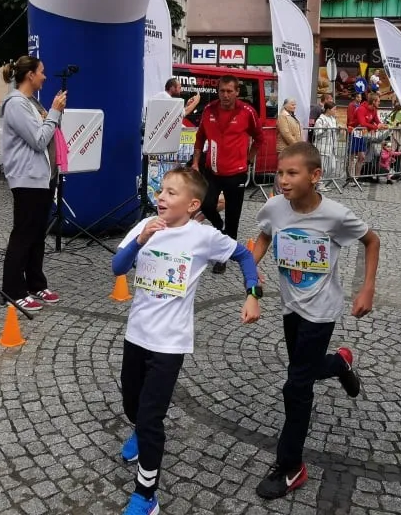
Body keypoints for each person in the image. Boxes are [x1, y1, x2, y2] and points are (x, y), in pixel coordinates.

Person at [111, 167, 259, 515]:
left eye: (171, 192)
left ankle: (146, 495)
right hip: (137, 334)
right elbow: (118, 268)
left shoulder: (203, 237)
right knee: (132, 404)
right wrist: (140, 240)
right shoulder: (145, 226)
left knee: (151, 418)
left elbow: (243, 254)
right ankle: (138, 430)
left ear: (193, 205)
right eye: (161, 190)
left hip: (170, 343)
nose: (161, 197)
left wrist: (253, 293)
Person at [251, 142, 379, 500]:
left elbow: (371, 241)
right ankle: (338, 363)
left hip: (322, 310)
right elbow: (264, 235)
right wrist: (251, 268)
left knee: (296, 385)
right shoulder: (275, 207)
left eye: (292, 173)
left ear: (315, 176)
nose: (282, 180)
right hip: (291, 306)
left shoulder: (336, 215)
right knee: (302, 367)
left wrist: (367, 288)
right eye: (280, 173)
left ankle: (291, 466)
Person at [0, 56, 66, 312]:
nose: (45, 76)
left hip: (42, 177)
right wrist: (54, 112)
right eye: (41, 72)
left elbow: (48, 132)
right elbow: (38, 140)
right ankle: (12, 290)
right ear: (30, 75)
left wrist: (53, 114)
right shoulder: (16, 104)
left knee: (38, 234)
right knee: (23, 234)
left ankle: (36, 283)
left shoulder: (32, 102)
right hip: (26, 178)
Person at [191, 75, 263, 274]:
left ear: (237, 92)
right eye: (222, 91)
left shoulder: (247, 111)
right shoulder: (209, 110)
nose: (225, 95)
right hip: (212, 170)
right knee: (206, 204)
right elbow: (200, 138)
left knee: (233, 216)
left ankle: (223, 256)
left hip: (235, 173)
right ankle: (219, 227)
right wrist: (196, 163)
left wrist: (248, 159)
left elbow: (259, 138)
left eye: (229, 91)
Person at [313, 101, 338, 189]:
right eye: (334, 109)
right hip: (322, 147)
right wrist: (324, 129)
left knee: (332, 167)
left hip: (331, 146)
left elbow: (334, 132)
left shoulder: (333, 119)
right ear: (328, 110)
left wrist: (338, 129)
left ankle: (323, 182)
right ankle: (319, 184)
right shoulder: (320, 120)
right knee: (323, 167)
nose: (335, 111)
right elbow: (316, 133)